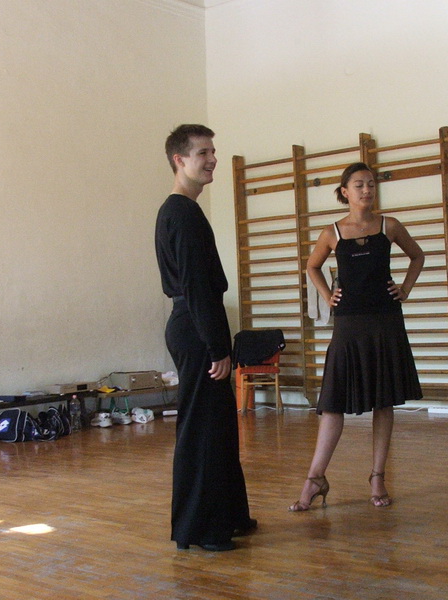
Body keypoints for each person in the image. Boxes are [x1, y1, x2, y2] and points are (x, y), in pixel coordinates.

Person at [289, 162, 424, 511]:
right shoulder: (332, 232)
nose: (367, 190)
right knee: (333, 402)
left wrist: (405, 289)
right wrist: (326, 295)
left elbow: (417, 256)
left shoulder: (390, 226)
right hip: (349, 323)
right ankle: (315, 478)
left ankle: (377, 477)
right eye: (359, 185)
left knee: (384, 400)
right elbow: (312, 266)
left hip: (385, 320)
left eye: (371, 184)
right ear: (345, 192)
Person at [155, 124, 255, 551]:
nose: (212, 159)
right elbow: (197, 286)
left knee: (219, 426)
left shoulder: (183, 211)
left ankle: (230, 517)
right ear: (179, 160)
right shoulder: (181, 213)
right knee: (203, 430)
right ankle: (200, 530)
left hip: (195, 324)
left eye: (213, 151)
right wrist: (217, 346)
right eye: (202, 153)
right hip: (197, 329)